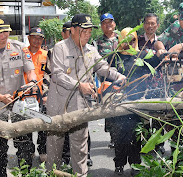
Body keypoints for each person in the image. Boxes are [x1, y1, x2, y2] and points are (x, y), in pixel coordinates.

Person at [46, 14, 126, 177]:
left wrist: (117, 76)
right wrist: (79, 85)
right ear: (73, 30)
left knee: (80, 149)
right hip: (58, 106)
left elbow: (103, 68)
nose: (88, 34)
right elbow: (57, 75)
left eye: (89, 30)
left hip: (81, 107)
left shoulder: (91, 50)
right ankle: (51, 174)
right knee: (55, 146)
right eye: (84, 30)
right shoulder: (60, 48)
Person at [0, 14, 37, 177]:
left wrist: (32, 82)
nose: (3, 36)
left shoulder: (20, 48)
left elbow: (30, 70)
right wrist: (1, 97)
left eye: (6, 32)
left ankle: (26, 173)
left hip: (20, 105)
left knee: (24, 143)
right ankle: (1, 173)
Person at [111, 28, 160, 176]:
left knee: (136, 136)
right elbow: (106, 76)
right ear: (120, 40)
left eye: (132, 40)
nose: (130, 44)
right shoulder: (115, 57)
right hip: (120, 101)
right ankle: (119, 164)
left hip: (138, 100)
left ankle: (135, 164)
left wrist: (160, 50)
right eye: (126, 40)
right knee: (120, 135)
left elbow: (158, 60)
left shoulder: (143, 55)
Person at [96, 13, 119, 149]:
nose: (108, 25)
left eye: (110, 22)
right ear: (101, 26)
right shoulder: (97, 42)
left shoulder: (122, 38)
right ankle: (113, 137)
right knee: (109, 106)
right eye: (105, 23)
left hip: (121, 76)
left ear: (114, 24)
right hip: (106, 79)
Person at [26, 27, 48, 162]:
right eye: (34, 37)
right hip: (26, 97)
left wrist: (47, 94)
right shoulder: (22, 54)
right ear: (29, 38)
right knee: (26, 125)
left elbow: (50, 76)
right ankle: (28, 151)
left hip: (42, 96)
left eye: (40, 37)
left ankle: (43, 151)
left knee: (43, 125)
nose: (37, 40)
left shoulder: (47, 55)